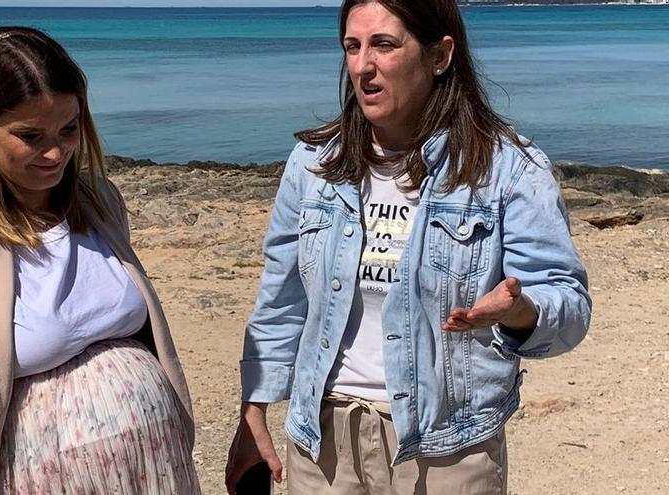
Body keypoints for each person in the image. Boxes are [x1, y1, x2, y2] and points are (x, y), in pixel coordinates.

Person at [225, 0, 591, 493]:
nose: (362, 66)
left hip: (447, 449)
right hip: (323, 443)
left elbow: (568, 304)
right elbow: (281, 296)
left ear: (439, 56)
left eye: (384, 45)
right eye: (352, 47)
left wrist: (519, 310)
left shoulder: (507, 169)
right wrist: (254, 408)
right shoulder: (314, 165)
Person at [0, 26, 199, 494]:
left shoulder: (100, 202)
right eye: (30, 136)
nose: (56, 152)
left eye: (69, 129)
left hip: (153, 469)